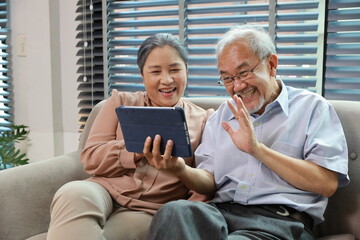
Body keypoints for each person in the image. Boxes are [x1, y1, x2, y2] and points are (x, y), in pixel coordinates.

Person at [144, 25, 349, 240]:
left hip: (281, 222)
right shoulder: (221, 116)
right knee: (173, 212)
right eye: (228, 78)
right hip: (221, 213)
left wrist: (257, 150)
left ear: (271, 64)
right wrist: (179, 169)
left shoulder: (312, 108)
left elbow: (327, 184)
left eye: (243, 72)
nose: (238, 86)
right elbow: (209, 180)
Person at [46, 33, 214, 240]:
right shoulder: (119, 103)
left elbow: (207, 185)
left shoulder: (205, 120)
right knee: (73, 192)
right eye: (155, 71)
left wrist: (180, 169)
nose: (167, 80)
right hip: (104, 191)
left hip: (149, 209)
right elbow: (90, 159)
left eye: (174, 69)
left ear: (186, 71)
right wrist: (134, 148)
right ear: (142, 75)